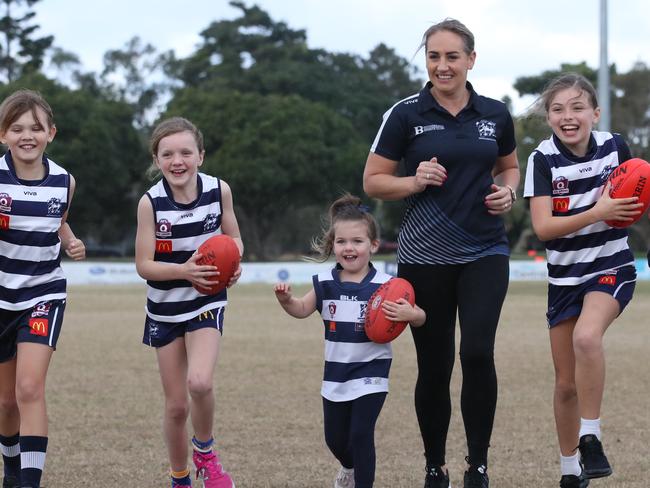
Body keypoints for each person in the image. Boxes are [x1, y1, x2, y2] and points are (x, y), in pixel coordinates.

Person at [363, 18, 520, 488]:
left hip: (484, 250)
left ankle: (478, 466)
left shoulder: (496, 113)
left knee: (476, 352)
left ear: (471, 60)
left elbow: (509, 168)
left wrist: (508, 192)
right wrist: (414, 180)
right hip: (423, 256)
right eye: (434, 56)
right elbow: (373, 181)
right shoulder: (405, 113)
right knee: (435, 365)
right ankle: (435, 466)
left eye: (452, 56)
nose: (442, 65)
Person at [523, 73, 642, 488]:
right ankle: (571, 471)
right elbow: (543, 228)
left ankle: (591, 437)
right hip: (564, 280)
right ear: (549, 118)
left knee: (588, 338)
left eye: (577, 107)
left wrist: (622, 209)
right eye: (557, 109)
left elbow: (631, 201)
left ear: (595, 113)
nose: (567, 116)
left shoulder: (616, 146)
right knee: (565, 384)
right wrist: (599, 210)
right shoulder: (541, 159)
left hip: (611, 266)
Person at [274, 194, 425, 488]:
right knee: (335, 440)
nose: (349, 247)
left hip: (372, 372)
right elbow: (302, 310)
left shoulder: (388, 286)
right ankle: (348, 467)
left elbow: (420, 317)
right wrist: (286, 300)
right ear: (333, 245)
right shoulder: (325, 282)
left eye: (357, 241)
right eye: (342, 241)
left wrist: (412, 313)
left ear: (373, 245)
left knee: (360, 434)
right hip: (335, 374)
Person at [135, 117, 243, 488]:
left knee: (200, 382)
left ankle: (206, 454)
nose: (177, 160)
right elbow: (144, 265)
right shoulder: (150, 203)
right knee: (177, 405)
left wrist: (235, 263)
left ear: (201, 155)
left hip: (206, 302)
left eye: (185, 152)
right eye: (167, 154)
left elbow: (234, 240)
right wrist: (184, 270)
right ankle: (180, 477)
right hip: (164, 309)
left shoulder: (219, 190)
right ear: (157, 159)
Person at [0, 89, 86, 488]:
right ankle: (12, 467)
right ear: (3, 135)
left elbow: (58, 220)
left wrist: (70, 240)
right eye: (16, 128)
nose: (26, 135)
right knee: (6, 402)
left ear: (51, 132)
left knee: (30, 387)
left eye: (36, 127)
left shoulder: (64, 181)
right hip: (1, 297)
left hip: (42, 294)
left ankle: (29, 483)